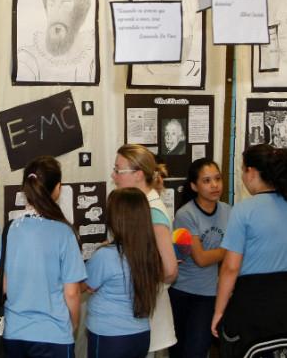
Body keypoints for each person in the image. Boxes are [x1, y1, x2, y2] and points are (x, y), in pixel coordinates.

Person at [211, 145, 287, 357]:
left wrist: (219, 311)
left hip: (252, 307)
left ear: (252, 172)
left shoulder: (244, 210)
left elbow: (230, 268)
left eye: (243, 171)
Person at [3, 156, 86, 358]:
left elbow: (5, 286)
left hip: (14, 334)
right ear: (57, 188)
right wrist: (73, 323)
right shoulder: (64, 233)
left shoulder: (11, 229)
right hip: (53, 335)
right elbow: (72, 292)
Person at [111, 144, 178, 355]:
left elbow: (169, 271)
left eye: (118, 170)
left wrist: (143, 276)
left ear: (138, 175)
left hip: (148, 315)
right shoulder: (139, 207)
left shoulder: (152, 212)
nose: (113, 176)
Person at [83, 188, 165, 358]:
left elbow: (82, 286)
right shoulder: (150, 253)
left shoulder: (105, 256)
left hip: (109, 337)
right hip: (141, 336)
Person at [169, 159, 231, 358]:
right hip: (182, 292)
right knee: (179, 351)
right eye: (206, 181)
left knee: (197, 351)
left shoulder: (227, 211)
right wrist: (230, 250)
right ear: (194, 186)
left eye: (217, 179)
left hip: (208, 294)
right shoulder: (185, 214)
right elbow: (201, 259)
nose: (214, 185)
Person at [17, 0, 95, 83]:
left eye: (65, 5)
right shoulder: (27, 58)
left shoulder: (91, 57)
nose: (56, 13)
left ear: (79, 12)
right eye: (51, 4)